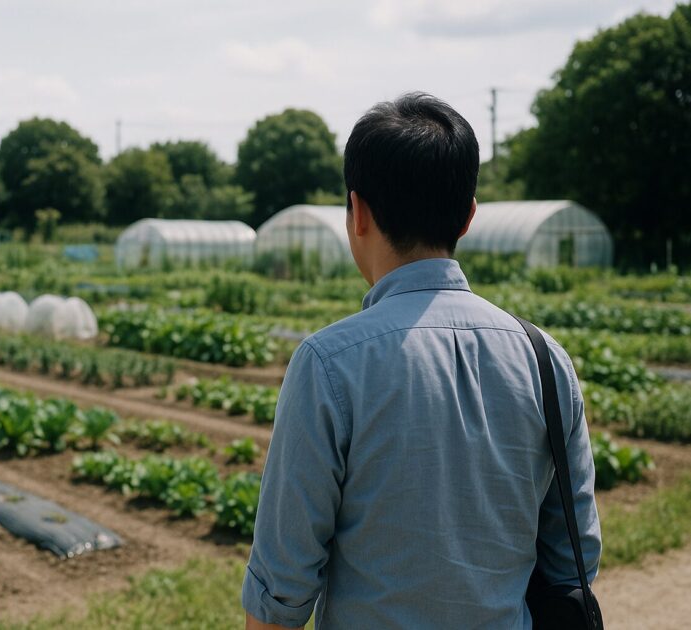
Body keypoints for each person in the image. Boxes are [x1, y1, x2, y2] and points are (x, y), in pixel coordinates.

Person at [241, 93, 601, 629]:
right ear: (469, 215)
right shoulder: (544, 359)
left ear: (357, 212)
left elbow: (282, 591)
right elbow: (573, 562)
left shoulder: (329, 364)